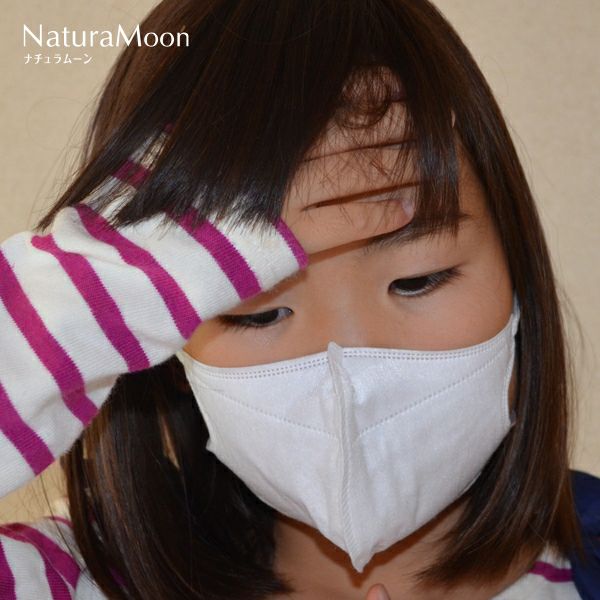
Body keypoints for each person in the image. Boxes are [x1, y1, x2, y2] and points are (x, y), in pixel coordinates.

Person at [0, 0, 598, 598]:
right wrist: (82, 297)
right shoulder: (66, 579)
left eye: (419, 280)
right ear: (170, 344)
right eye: (257, 312)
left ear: (517, 276)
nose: (349, 363)